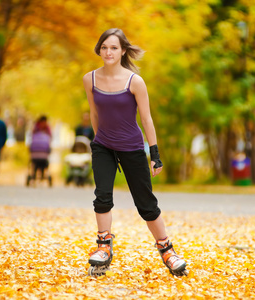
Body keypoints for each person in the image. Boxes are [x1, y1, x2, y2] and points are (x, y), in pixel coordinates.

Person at [83, 28, 188, 277]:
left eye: (114, 48)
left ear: (123, 51)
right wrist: (98, 142)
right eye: (104, 47)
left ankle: (167, 250)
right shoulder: (90, 79)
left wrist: (155, 153)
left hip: (131, 146)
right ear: (99, 49)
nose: (108, 52)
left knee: (146, 204)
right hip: (103, 146)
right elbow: (95, 113)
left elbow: (147, 119)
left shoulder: (134, 81)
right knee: (102, 196)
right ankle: (103, 247)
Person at [29, 116, 52, 182]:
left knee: (43, 164)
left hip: (43, 152)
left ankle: (42, 175)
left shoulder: (47, 129)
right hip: (36, 152)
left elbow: (50, 137)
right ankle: (34, 175)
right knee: (35, 164)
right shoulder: (35, 128)